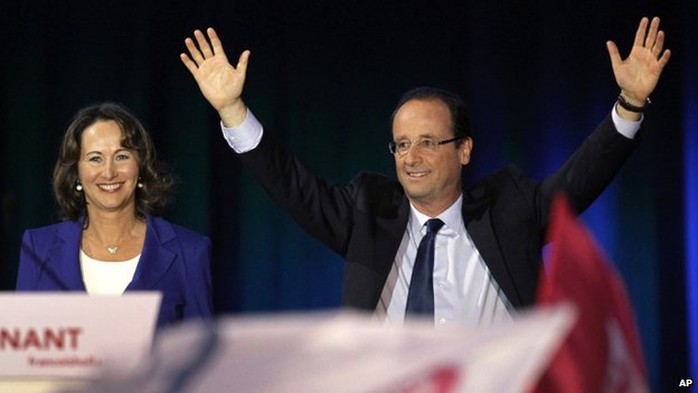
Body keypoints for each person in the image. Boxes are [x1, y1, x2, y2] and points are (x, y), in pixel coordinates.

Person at [180, 17, 670, 328]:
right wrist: (233, 109)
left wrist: (630, 104)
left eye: (428, 143)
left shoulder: (511, 210)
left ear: (464, 150)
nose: (410, 157)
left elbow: (582, 178)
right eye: (401, 145)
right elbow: (291, 184)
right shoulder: (366, 213)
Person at [15, 102, 213, 329]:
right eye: (95, 158)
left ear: (140, 166)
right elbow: (24, 354)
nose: (109, 173)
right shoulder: (37, 247)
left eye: (121, 156)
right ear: (76, 171)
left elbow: (206, 356)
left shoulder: (189, 251)